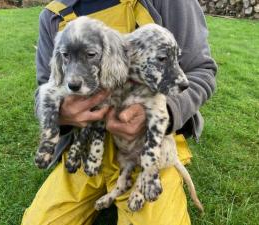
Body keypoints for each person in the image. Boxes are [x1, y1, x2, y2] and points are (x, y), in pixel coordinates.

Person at [21, 0, 217, 224]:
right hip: (85, 148)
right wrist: (62, 115)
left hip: (148, 147)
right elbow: (45, 86)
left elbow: (201, 70)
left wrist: (165, 111)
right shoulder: (53, 14)